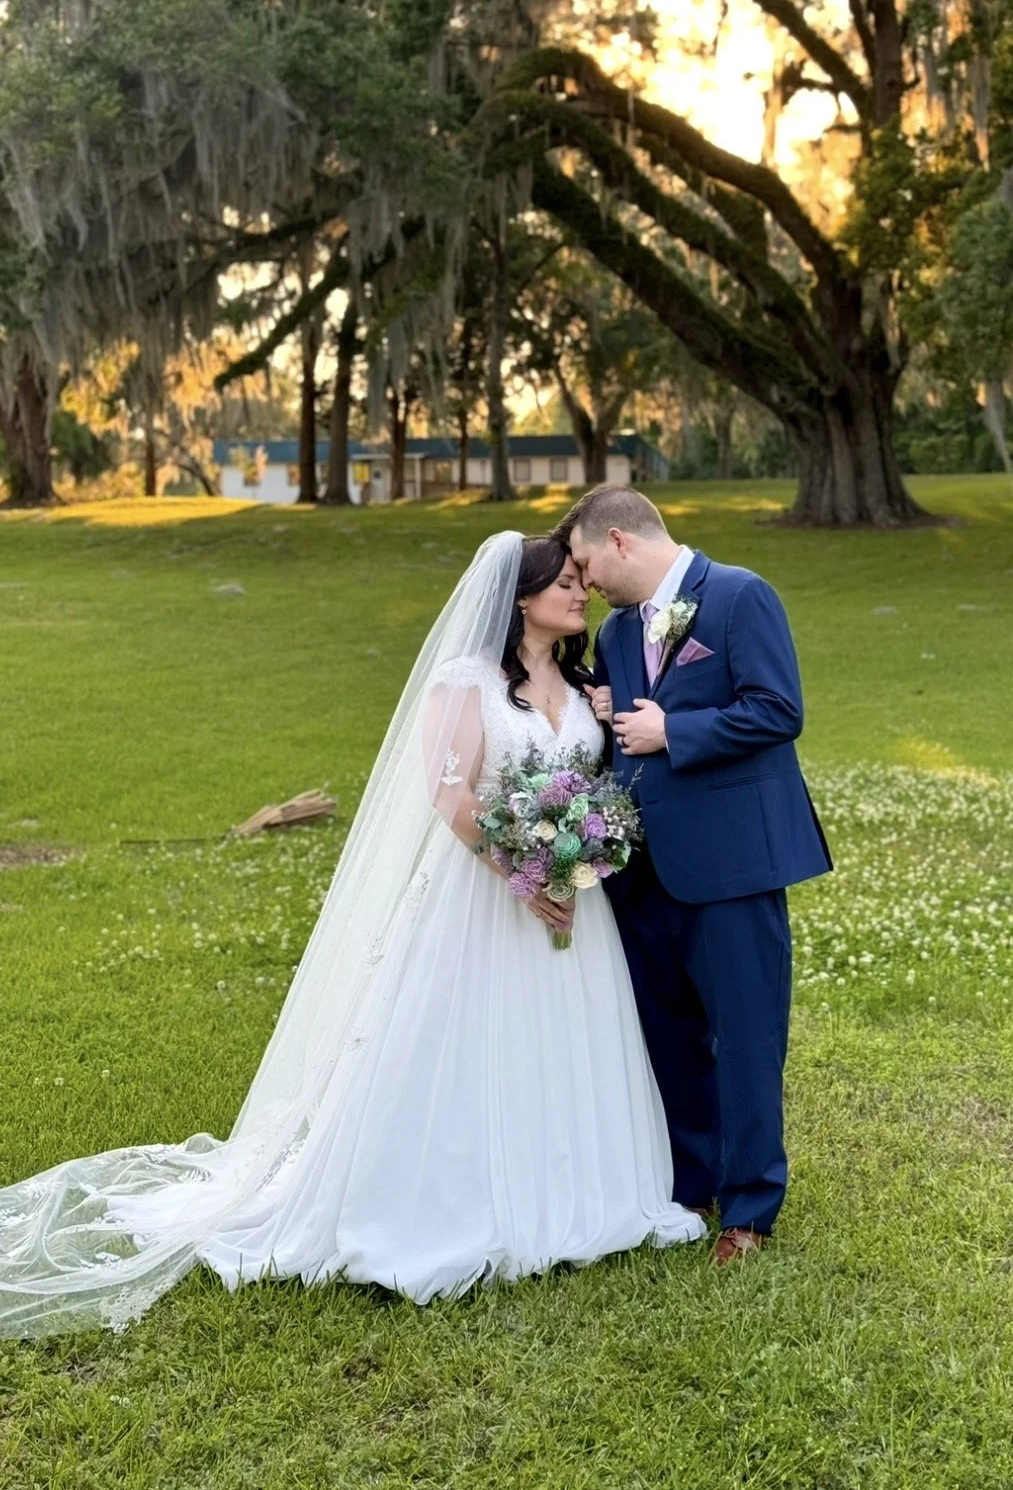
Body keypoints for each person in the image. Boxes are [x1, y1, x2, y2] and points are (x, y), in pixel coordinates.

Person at [0, 531, 703, 1340]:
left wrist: (573, 863)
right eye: (567, 582)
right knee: (459, 1047)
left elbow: (593, 782)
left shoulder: (588, 687)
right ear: (520, 595)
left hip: (573, 907)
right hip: (480, 900)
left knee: (571, 1045)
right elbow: (450, 801)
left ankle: (586, 1193)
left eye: (583, 581)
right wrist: (526, 874)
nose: (582, 594)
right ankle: (444, 1202)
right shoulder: (462, 683)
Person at [557, 487, 832, 1265]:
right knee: (670, 1034)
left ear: (620, 540)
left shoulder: (741, 596)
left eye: (586, 563)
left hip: (732, 863)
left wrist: (673, 728)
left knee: (745, 1038)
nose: (586, 583)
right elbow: (623, 739)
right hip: (641, 871)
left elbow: (778, 709)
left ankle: (750, 1209)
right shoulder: (615, 633)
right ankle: (693, 1185)